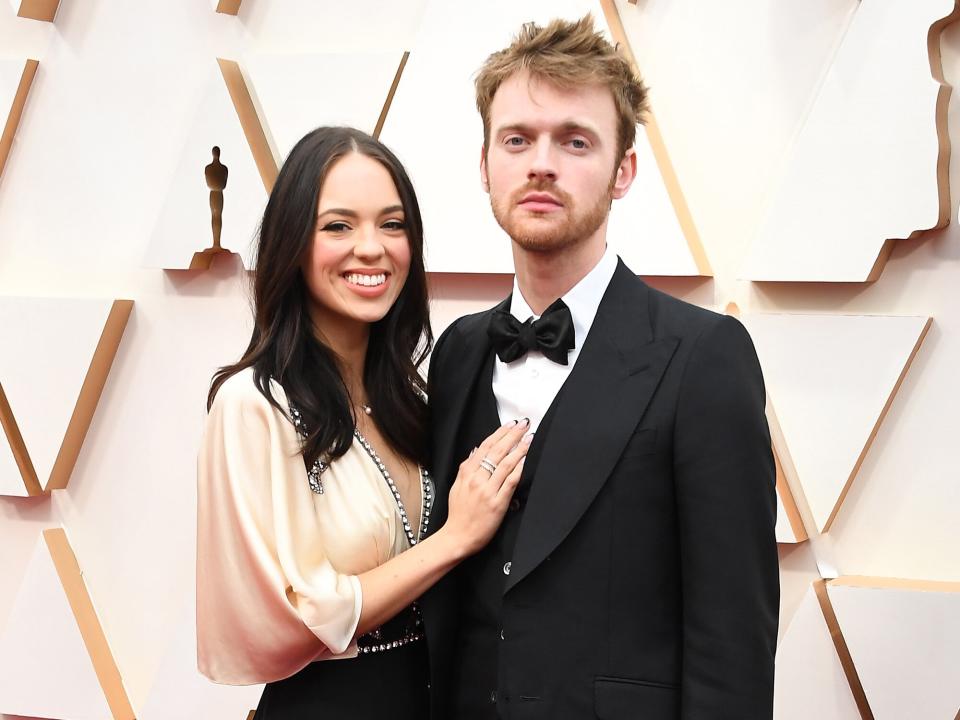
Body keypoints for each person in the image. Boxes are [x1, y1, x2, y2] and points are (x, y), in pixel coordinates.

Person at [422, 16, 779, 719]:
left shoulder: (704, 358)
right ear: (486, 163)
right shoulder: (458, 352)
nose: (541, 163)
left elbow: (732, 641)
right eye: (517, 139)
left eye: (575, 141)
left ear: (623, 171)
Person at [196, 126, 531, 720]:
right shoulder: (254, 405)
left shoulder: (411, 400)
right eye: (338, 226)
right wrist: (456, 537)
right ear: (293, 244)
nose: (371, 248)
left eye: (392, 224)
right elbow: (299, 615)